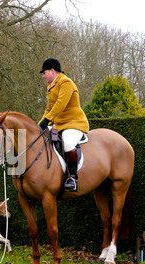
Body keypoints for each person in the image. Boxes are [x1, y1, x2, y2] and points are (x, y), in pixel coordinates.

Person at [38, 58, 89, 192]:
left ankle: (72, 178)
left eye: (44, 73)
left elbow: (60, 104)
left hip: (73, 123)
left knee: (68, 143)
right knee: (48, 141)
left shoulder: (66, 82)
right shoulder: (51, 86)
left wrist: (46, 120)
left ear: (52, 71)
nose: (43, 76)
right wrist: (39, 126)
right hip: (58, 125)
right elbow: (49, 109)